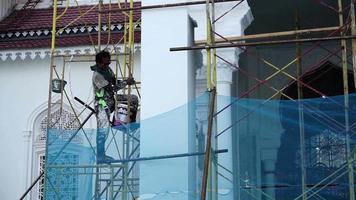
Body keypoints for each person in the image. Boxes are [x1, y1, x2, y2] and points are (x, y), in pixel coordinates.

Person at [91, 50, 138, 163]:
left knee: (133, 99)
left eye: (109, 63)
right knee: (103, 130)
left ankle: (128, 124)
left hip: (112, 100)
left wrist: (125, 82)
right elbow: (112, 88)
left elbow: (114, 82)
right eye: (105, 63)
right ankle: (100, 156)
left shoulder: (108, 70)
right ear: (99, 63)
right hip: (102, 104)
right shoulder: (97, 75)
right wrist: (126, 82)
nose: (107, 65)